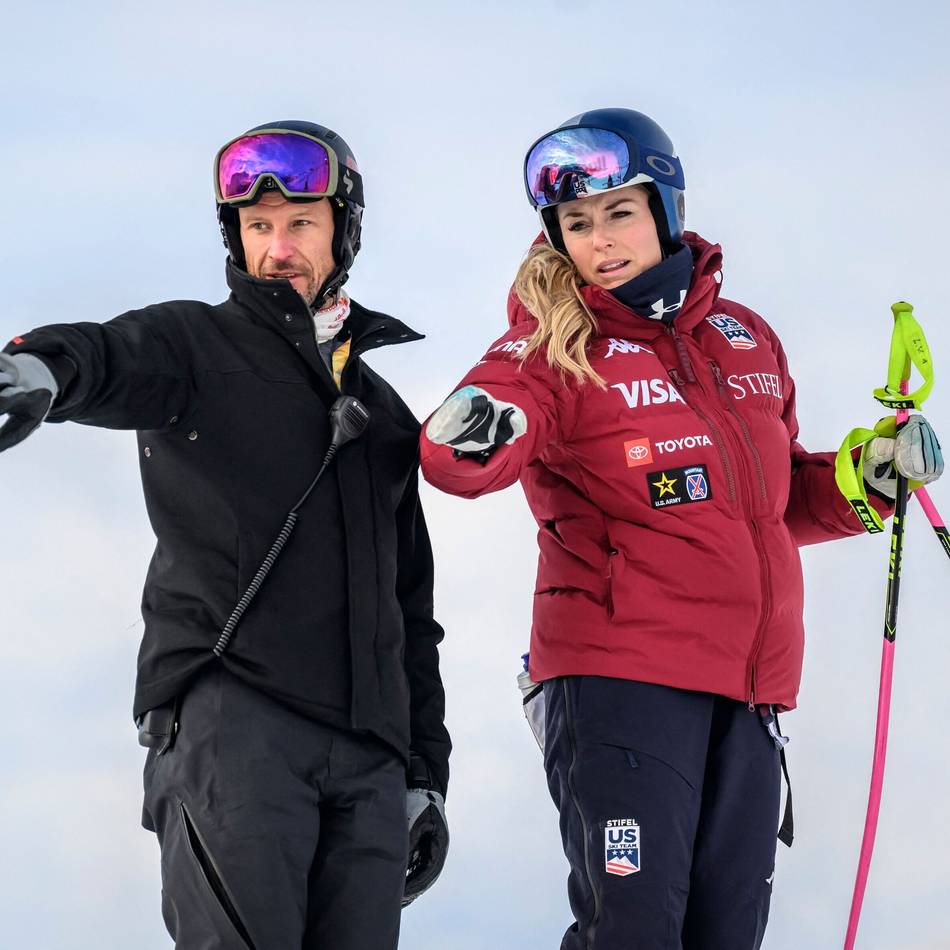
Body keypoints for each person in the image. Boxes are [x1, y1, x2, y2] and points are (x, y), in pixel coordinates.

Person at [420, 108, 943, 949]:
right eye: (577, 223)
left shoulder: (744, 338)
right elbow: (473, 440)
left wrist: (868, 476)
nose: (602, 239)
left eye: (620, 212)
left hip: (750, 690)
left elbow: (763, 506)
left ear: (665, 207)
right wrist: (475, 431)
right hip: (622, 682)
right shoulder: (555, 349)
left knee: (726, 935)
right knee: (633, 933)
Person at [0, 119, 450, 949]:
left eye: (301, 223)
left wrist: (425, 775)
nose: (278, 248)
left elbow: (409, 613)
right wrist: (38, 370)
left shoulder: (385, 415)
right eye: (258, 227)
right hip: (237, 730)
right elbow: (107, 357)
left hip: (370, 764)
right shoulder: (196, 348)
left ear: (343, 229)